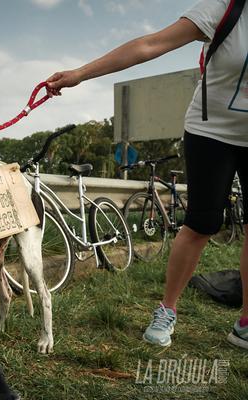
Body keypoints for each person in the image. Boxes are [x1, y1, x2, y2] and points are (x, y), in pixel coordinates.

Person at [46, 0, 248, 349]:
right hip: (211, 132)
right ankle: (167, 309)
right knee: (202, 222)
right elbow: (150, 44)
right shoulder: (226, 8)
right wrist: (80, 73)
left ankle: (245, 321)